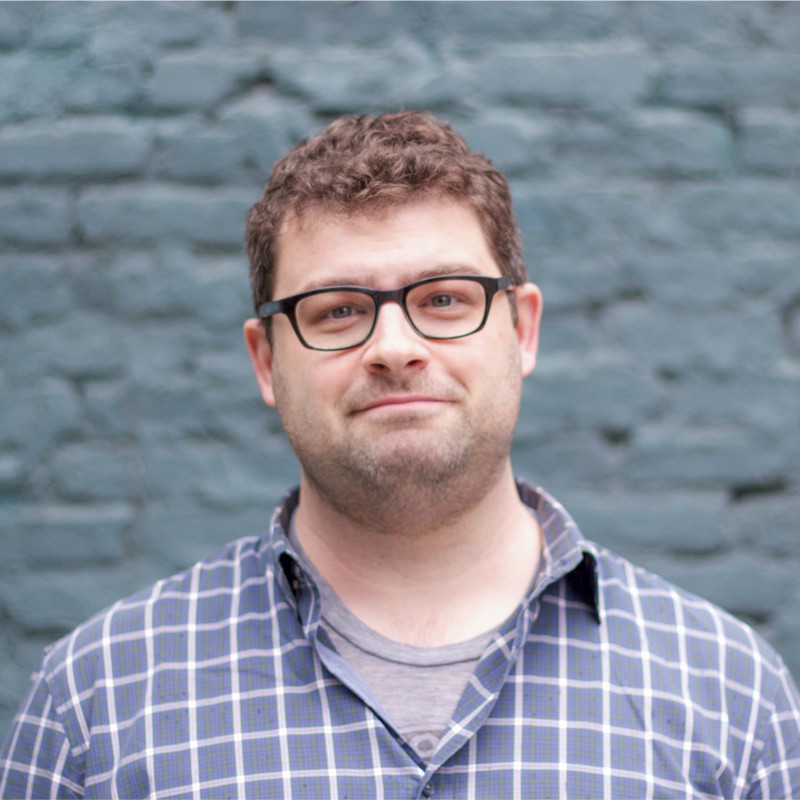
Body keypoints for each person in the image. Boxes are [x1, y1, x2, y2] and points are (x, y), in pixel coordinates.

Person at [2, 111, 799, 799]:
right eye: (337, 310)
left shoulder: (727, 695)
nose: (394, 346)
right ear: (266, 361)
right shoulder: (99, 702)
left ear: (522, 330)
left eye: (444, 299)